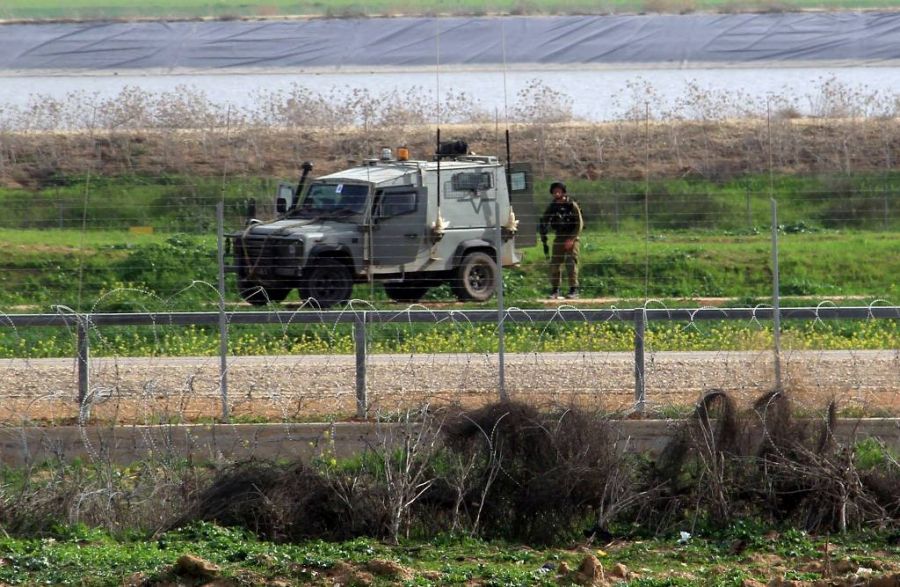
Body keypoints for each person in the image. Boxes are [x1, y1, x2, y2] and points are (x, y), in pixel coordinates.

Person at [539, 181, 584, 299]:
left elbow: (579, 224)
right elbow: (545, 220)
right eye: (554, 191)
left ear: (563, 192)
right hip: (559, 237)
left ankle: (574, 290)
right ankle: (555, 290)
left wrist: (572, 239)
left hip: (572, 237)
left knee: (571, 263)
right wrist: (542, 231)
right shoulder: (552, 206)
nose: (556, 193)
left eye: (559, 191)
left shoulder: (572, 205)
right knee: (555, 264)